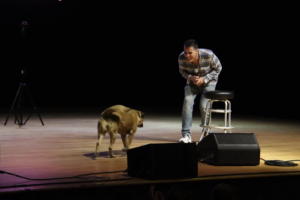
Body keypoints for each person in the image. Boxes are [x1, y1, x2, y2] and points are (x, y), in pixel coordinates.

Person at [178, 39, 222, 143]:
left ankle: (206, 133)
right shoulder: (181, 57)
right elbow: (182, 71)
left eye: (190, 53)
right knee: (187, 102)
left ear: (197, 51)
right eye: (185, 52)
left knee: (203, 105)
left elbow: (218, 68)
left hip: (209, 81)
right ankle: (186, 135)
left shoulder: (208, 54)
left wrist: (205, 79)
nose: (187, 55)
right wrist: (190, 77)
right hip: (192, 82)